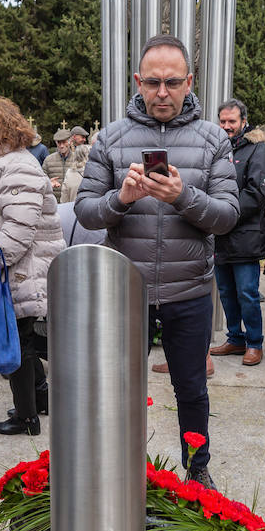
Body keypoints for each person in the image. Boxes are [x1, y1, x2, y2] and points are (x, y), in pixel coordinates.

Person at [76, 35, 239, 487]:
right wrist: (122, 198)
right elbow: (86, 211)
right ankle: (119, 470)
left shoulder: (211, 140)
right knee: (120, 392)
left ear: (189, 82)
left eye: (172, 82)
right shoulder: (111, 139)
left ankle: (197, 469)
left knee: (191, 389)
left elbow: (228, 217)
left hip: (188, 291)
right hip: (125, 293)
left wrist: (184, 197)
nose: (162, 92)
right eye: (152, 82)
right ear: (137, 82)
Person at [0, 95, 65, 435]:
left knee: (16, 345)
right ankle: (40, 400)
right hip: (14, 271)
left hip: (20, 271)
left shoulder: (16, 165)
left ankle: (26, 418)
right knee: (22, 340)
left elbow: (18, 232)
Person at [210, 100, 265, 367]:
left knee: (247, 292)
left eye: (232, 122)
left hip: (244, 234)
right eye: (222, 122)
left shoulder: (257, 150)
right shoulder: (218, 149)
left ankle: (254, 342)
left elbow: (257, 192)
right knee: (225, 291)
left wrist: (225, 212)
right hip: (220, 235)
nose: (227, 127)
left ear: (243, 121)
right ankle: (235, 337)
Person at [45, 128, 74, 193]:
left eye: (64, 142)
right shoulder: (48, 160)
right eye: (59, 143)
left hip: (71, 200)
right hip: (54, 200)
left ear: (70, 142)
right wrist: (49, 182)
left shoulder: (77, 159)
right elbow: (41, 180)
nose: (61, 146)